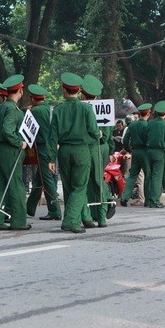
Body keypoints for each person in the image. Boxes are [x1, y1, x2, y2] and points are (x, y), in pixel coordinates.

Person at [48, 72, 100, 234]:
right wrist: (98, 135)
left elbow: (52, 136)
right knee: (80, 187)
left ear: (64, 89)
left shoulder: (58, 110)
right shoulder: (86, 109)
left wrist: (50, 158)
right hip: (81, 150)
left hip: (63, 151)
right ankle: (71, 221)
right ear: (79, 91)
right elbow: (93, 131)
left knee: (70, 187)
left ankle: (81, 218)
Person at [0, 74, 31, 231]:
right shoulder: (13, 109)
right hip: (10, 150)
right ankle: (19, 221)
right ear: (20, 90)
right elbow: (8, 130)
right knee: (16, 186)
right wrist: (19, 142)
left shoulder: (1, 108)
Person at [79, 75, 113, 228]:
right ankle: (101, 217)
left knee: (84, 184)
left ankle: (86, 216)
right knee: (98, 182)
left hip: (84, 148)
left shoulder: (80, 108)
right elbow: (105, 136)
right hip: (97, 149)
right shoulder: (103, 109)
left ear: (82, 93)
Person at [25, 84, 62, 221]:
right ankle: (29, 207)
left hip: (42, 148)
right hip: (52, 147)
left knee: (46, 180)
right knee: (39, 178)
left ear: (33, 99)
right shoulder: (51, 109)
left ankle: (55, 210)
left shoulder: (35, 112)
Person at [120, 103, 152, 207]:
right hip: (145, 151)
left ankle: (124, 197)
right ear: (148, 114)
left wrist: (129, 149)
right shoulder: (148, 125)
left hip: (135, 152)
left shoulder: (132, 125)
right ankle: (147, 199)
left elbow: (125, 139)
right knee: (148, 175)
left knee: (132, 175)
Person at [146, 100, 165, 208]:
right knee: (157, 177)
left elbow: (145, 136)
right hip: (159, 152)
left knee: (150, 175)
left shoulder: (150, 123)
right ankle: (154, 200)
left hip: (148, 151)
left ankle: (148, 199)